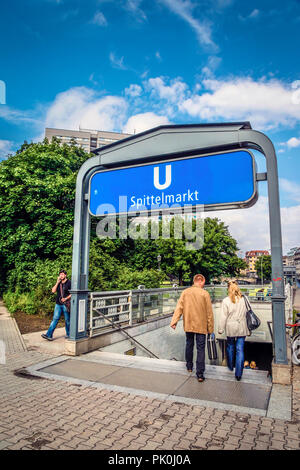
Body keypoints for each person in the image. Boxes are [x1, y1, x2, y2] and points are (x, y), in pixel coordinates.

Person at [170, 274, 214, 382]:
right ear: (202, 281)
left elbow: (179, 307)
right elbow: (209, 313)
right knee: (200, 349)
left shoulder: (185, 292)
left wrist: (174, 321)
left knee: (189, 344)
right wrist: (210, 329)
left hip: (189, 324)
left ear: (194, 281)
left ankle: (189, 366)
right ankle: (200, 374)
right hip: (201, 326)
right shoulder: (205, 294)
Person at [218, 280, 250, 381]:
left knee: (230, 346)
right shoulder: (245, 299)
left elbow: (223, 316)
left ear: (228, 289)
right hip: (242, 326)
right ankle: (238, 374)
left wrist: (220, 329)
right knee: (240, 349)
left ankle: (231, 366)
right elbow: (248, 312)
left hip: (231, 327)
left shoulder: (226, 301)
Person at [42, 270, 71, 341]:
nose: (61, 276)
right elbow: (53, 291)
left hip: (65, 304)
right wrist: (57, 282)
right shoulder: (59, 283)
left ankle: (69, 334)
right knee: (55, 319)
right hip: (58, 304)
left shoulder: (69, 283)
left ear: (65, 275)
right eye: (60, 274)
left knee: (67, 320)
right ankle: (49, 335)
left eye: (62, 274)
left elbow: (72, 293)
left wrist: (66, 298)